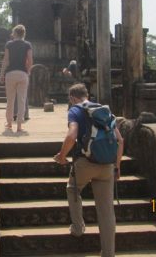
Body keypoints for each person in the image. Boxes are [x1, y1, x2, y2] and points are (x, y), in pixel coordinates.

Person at [53, 83, 123, 257]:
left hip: (85, 163)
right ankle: (108, 253)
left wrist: (62, 155)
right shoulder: (103, 111)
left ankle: (78, 227)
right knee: (106, 210)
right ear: (87, 95)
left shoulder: (75, 110)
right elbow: (120, 140)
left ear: (72, 98)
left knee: (73, 189)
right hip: (107, 165)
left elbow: (72, 135)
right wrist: (117, 166)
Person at [0, 24, 33, 132]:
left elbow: (6, 60)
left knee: (10, 100)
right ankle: (19, 126)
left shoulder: (9, 44)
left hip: (10, 74)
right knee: (21, 100)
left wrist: (1, 74)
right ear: (23, 33)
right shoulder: (27, 44)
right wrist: (28, 71)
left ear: (15, 33)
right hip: (22, 74)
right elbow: (30, 60)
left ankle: (9, 123)